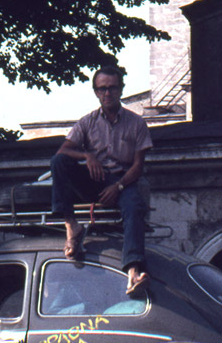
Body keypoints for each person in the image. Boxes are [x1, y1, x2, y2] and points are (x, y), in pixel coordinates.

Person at [51, 64, 152, 295]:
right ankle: (71, 227)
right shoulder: (87, 122)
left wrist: (118, 186)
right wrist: (87, 155)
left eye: (113, 88)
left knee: (135, 206)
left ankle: (133, 272)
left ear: (121, 89)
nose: (108, 93)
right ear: (96, 92)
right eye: (102, 89)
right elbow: (63, 152)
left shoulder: (137, 123)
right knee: (58, 163)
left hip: (123, 182)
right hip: (93, 180)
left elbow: (138, 166)